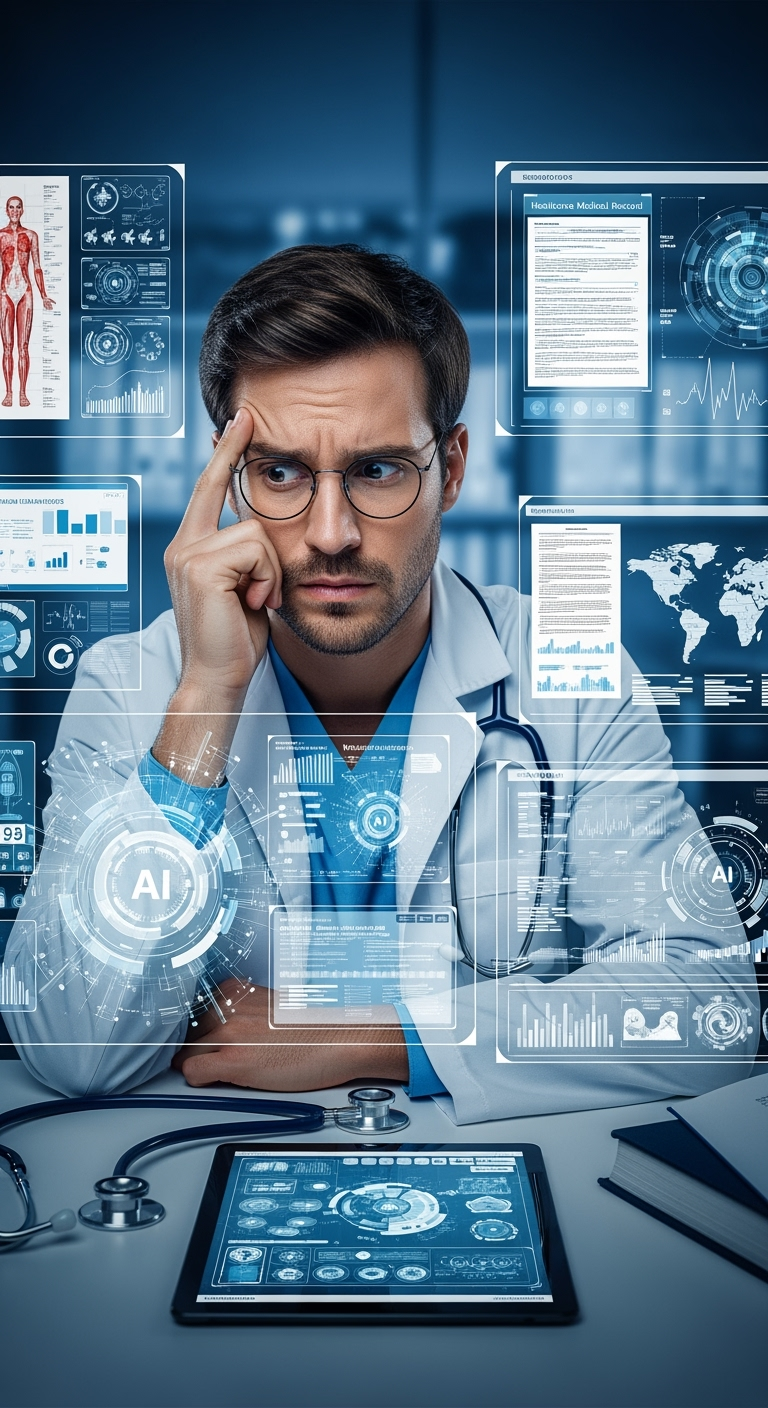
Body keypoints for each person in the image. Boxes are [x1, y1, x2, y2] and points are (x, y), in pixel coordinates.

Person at [4, 245, 757, 1119]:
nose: (331, 534)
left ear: (453, 469)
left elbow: (711, 1009)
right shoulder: (136, 687)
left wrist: (370, 1036)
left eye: (377, 471)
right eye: (279, 472)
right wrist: (208, 692)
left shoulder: (577, 682)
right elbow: (73, 1044)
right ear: (227, 480)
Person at [0, 196, 55, 408]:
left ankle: (22, 393)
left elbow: (37, 267)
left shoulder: (31, 235)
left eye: (18, 207)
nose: (14, 211)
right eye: (11, 207)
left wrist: (44, 294)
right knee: (7, 346)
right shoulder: (1, 236)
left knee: (23, 346)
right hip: (5, 292)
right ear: (7, 210)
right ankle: (8, 393)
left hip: (25, 291)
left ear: (22, 210)